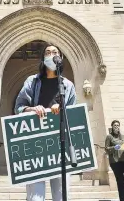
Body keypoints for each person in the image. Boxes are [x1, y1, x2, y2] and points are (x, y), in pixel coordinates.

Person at [15, 43, 77, 201]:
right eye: (47, 53)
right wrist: (33, 109)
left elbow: (73, 113)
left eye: (55, 52)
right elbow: (19, 108)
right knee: (35, 197)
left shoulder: (68, 86)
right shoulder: (32, 81)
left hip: (59, 146)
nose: (51, 55)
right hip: (36, 146)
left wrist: (62, 107)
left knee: (62, 196)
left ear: (60, 58)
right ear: (43, 58)